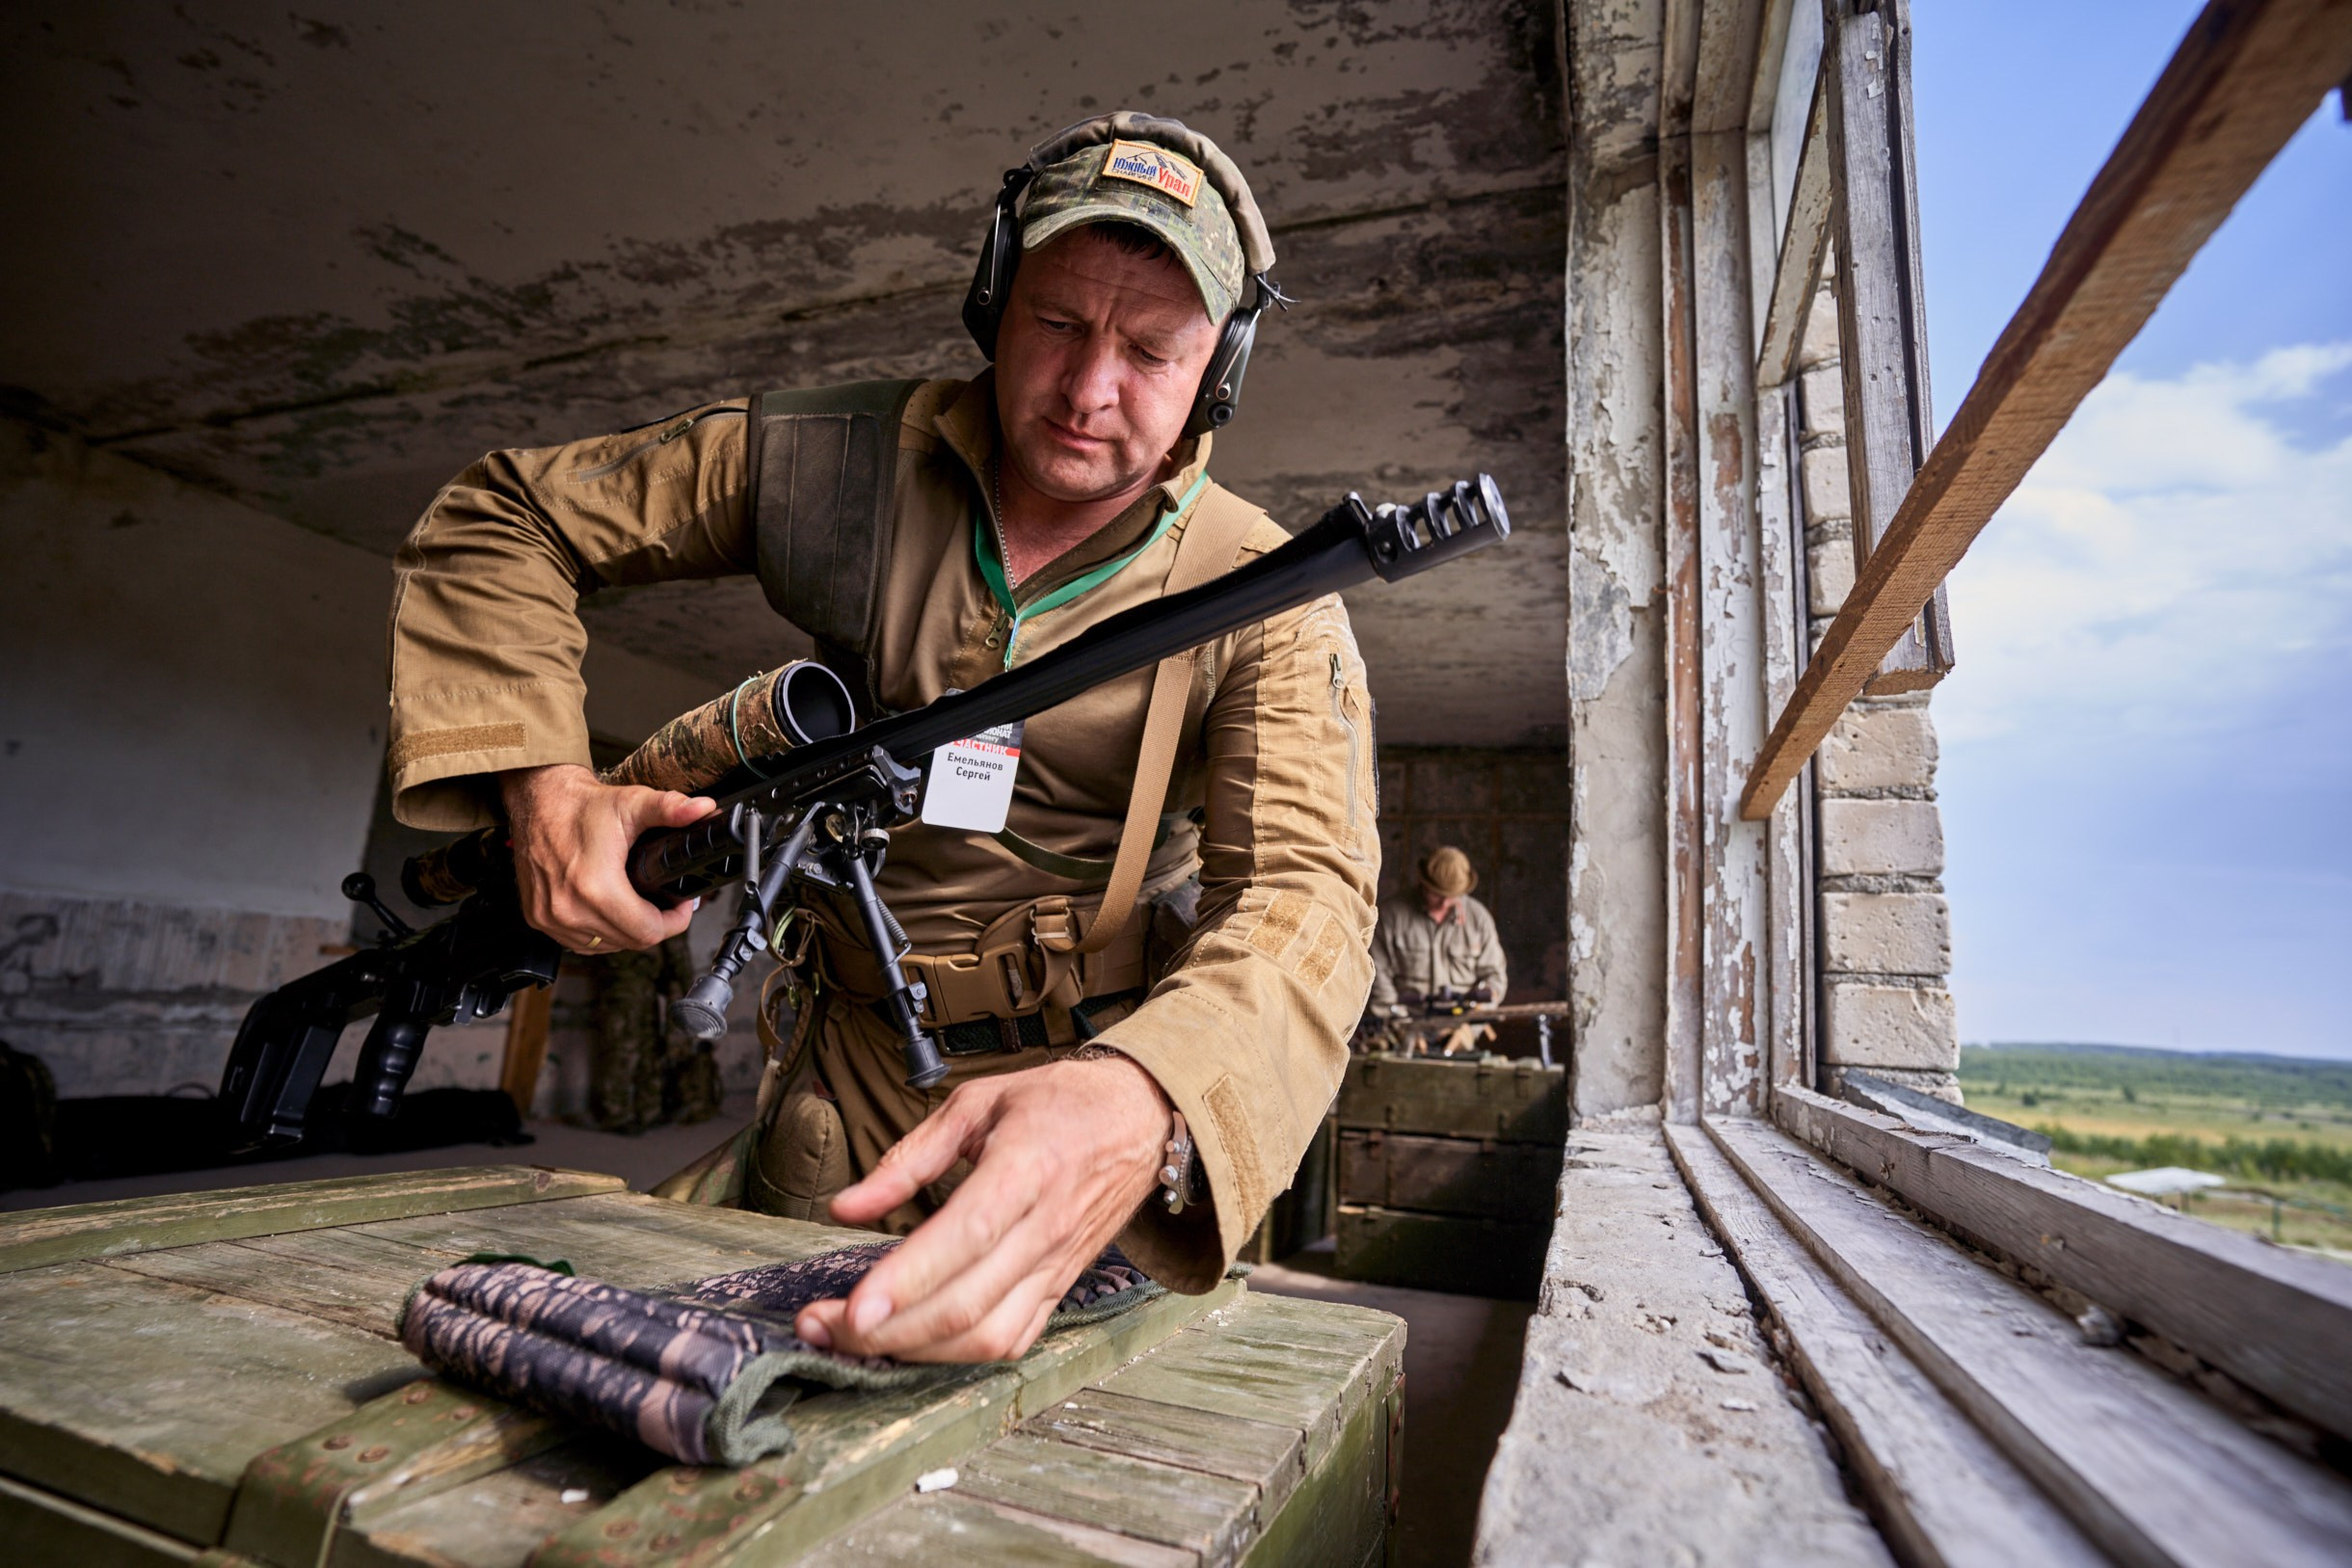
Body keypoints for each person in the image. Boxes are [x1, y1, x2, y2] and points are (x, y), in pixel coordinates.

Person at [381, 114, 1378, 1364]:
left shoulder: (1269, 591)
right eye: (1059, 322)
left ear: (1218, 370)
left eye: (1152, 350)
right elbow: (507, 515)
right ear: (993, 296)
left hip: (1087, 1101)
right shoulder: (834, 466)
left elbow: (1306, 891)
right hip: (834, 1084)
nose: (1088, 390)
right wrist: (544, 781)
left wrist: (1152, 1096)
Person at [1367, 848, 1509, 1047]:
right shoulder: (1392, 917)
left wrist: (1470, 1027)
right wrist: (1402, 1028)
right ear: (1422, 883)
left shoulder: (1479, 919)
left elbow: (1495, 979)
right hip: (1403, 1028)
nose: (1444, 903)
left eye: (1452, 896)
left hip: (1460, 1030)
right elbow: (1378, 978)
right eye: (1437, 895)